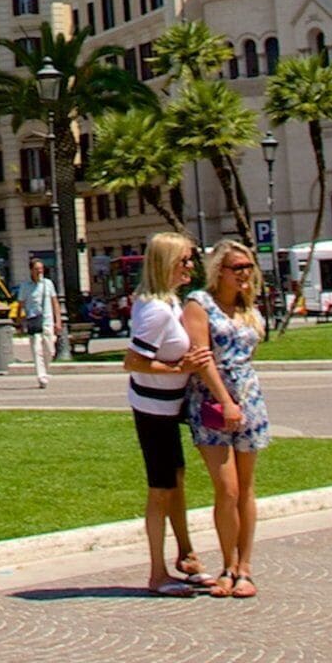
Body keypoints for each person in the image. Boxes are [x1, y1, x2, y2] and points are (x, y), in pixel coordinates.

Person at [185, 242, 275, 598]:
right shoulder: (199, 303)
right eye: (237, 267)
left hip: (250, 400)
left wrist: (241, 400)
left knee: (247, 489)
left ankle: (245, 567)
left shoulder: (247, 307)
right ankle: (227, 563)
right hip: (211, 403)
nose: (244, 274)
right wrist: (225, 400)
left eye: (248, 267)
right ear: (219, 269)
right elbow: (201, 355)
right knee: (227, 488)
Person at [123, 233, 207, 597]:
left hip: (167, 407)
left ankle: (185, 555)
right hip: (153, 408)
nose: (190, 266)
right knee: (160, 489)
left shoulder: (165, 301)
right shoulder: (156, 310)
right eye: (185, 260)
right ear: (167, 263)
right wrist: (179, 369)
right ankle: (157, 573)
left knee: (176, 479)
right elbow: (133, 361)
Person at [20, 261, 60, 389]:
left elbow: (55, 303)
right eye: (37, 269)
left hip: (47, 321)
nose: (40, 271)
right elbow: (20, 305)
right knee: (37, 350)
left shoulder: (48, 284)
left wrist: (58, 321)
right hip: (33, 322)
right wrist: (19, 321)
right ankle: (41, 376)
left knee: (50, 350)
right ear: (31, 270)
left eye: (41, 269)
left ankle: (45, 371)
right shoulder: (25, 286)